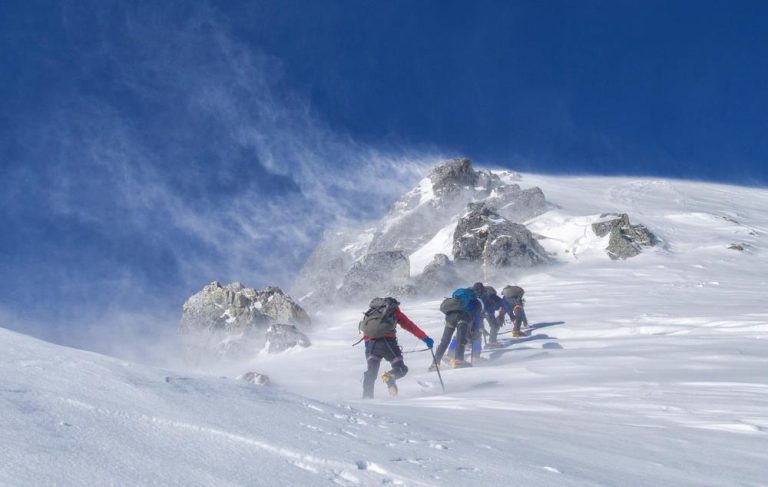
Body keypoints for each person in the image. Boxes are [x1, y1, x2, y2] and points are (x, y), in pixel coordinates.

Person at [359, 297, 433, 398]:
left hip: (372, 346)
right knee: (400, 368)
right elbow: (410, 326)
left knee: (371, 373)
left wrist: (368, 350)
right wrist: (425, 338)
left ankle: (367, 398)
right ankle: (390, 376)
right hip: (389, 345)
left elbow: (366, 333)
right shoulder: (393, 311)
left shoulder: (371, 313)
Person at [444, 287, 484, 367]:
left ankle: (450, 353)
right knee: (477, 337)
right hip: (468, 320)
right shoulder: (477, 303)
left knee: (459, 336)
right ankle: (475, 357)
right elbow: (478, 317)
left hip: (457, 318)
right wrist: (478, 329)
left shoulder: (464, 298)